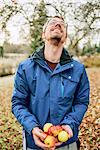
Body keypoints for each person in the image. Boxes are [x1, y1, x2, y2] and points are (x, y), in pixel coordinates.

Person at [11, 16, 90, 150]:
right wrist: (33, 127)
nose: (57, 25)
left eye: (62, 25)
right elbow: (18, 103)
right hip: (34, 143)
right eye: (52, 23)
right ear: (43, 35)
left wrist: (69, 124)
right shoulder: (25, 68)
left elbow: (81, 102)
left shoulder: (78, 69)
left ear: (65, 37)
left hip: (67, 143)